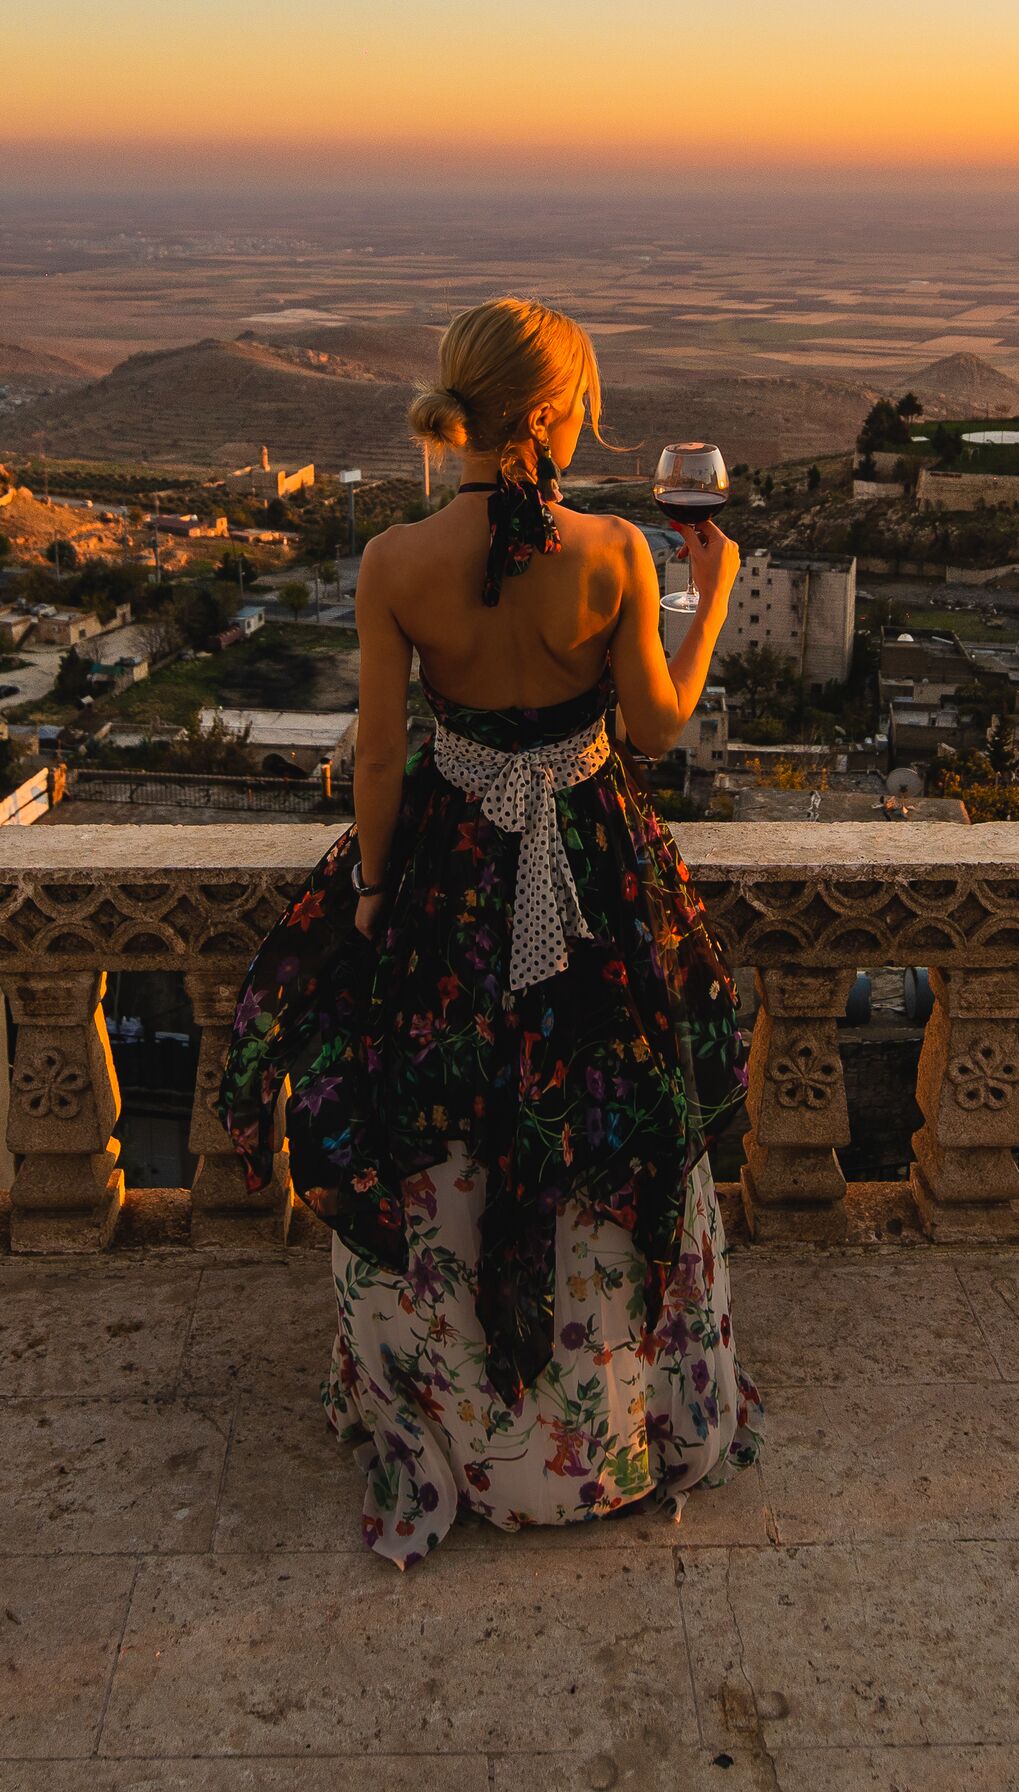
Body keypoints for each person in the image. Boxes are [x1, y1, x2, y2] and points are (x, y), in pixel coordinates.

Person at [216, 297, 760, 1565]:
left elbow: (382, 764)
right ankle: (604, 1419)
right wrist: (714, 594)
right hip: (588, 871)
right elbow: (661, 729)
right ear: (558, 413)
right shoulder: (621, 550)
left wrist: (369, 897)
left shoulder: (395, 562)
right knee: (600, 1131)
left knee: (445, 1135)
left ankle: (454, 1409)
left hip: (450, 882)